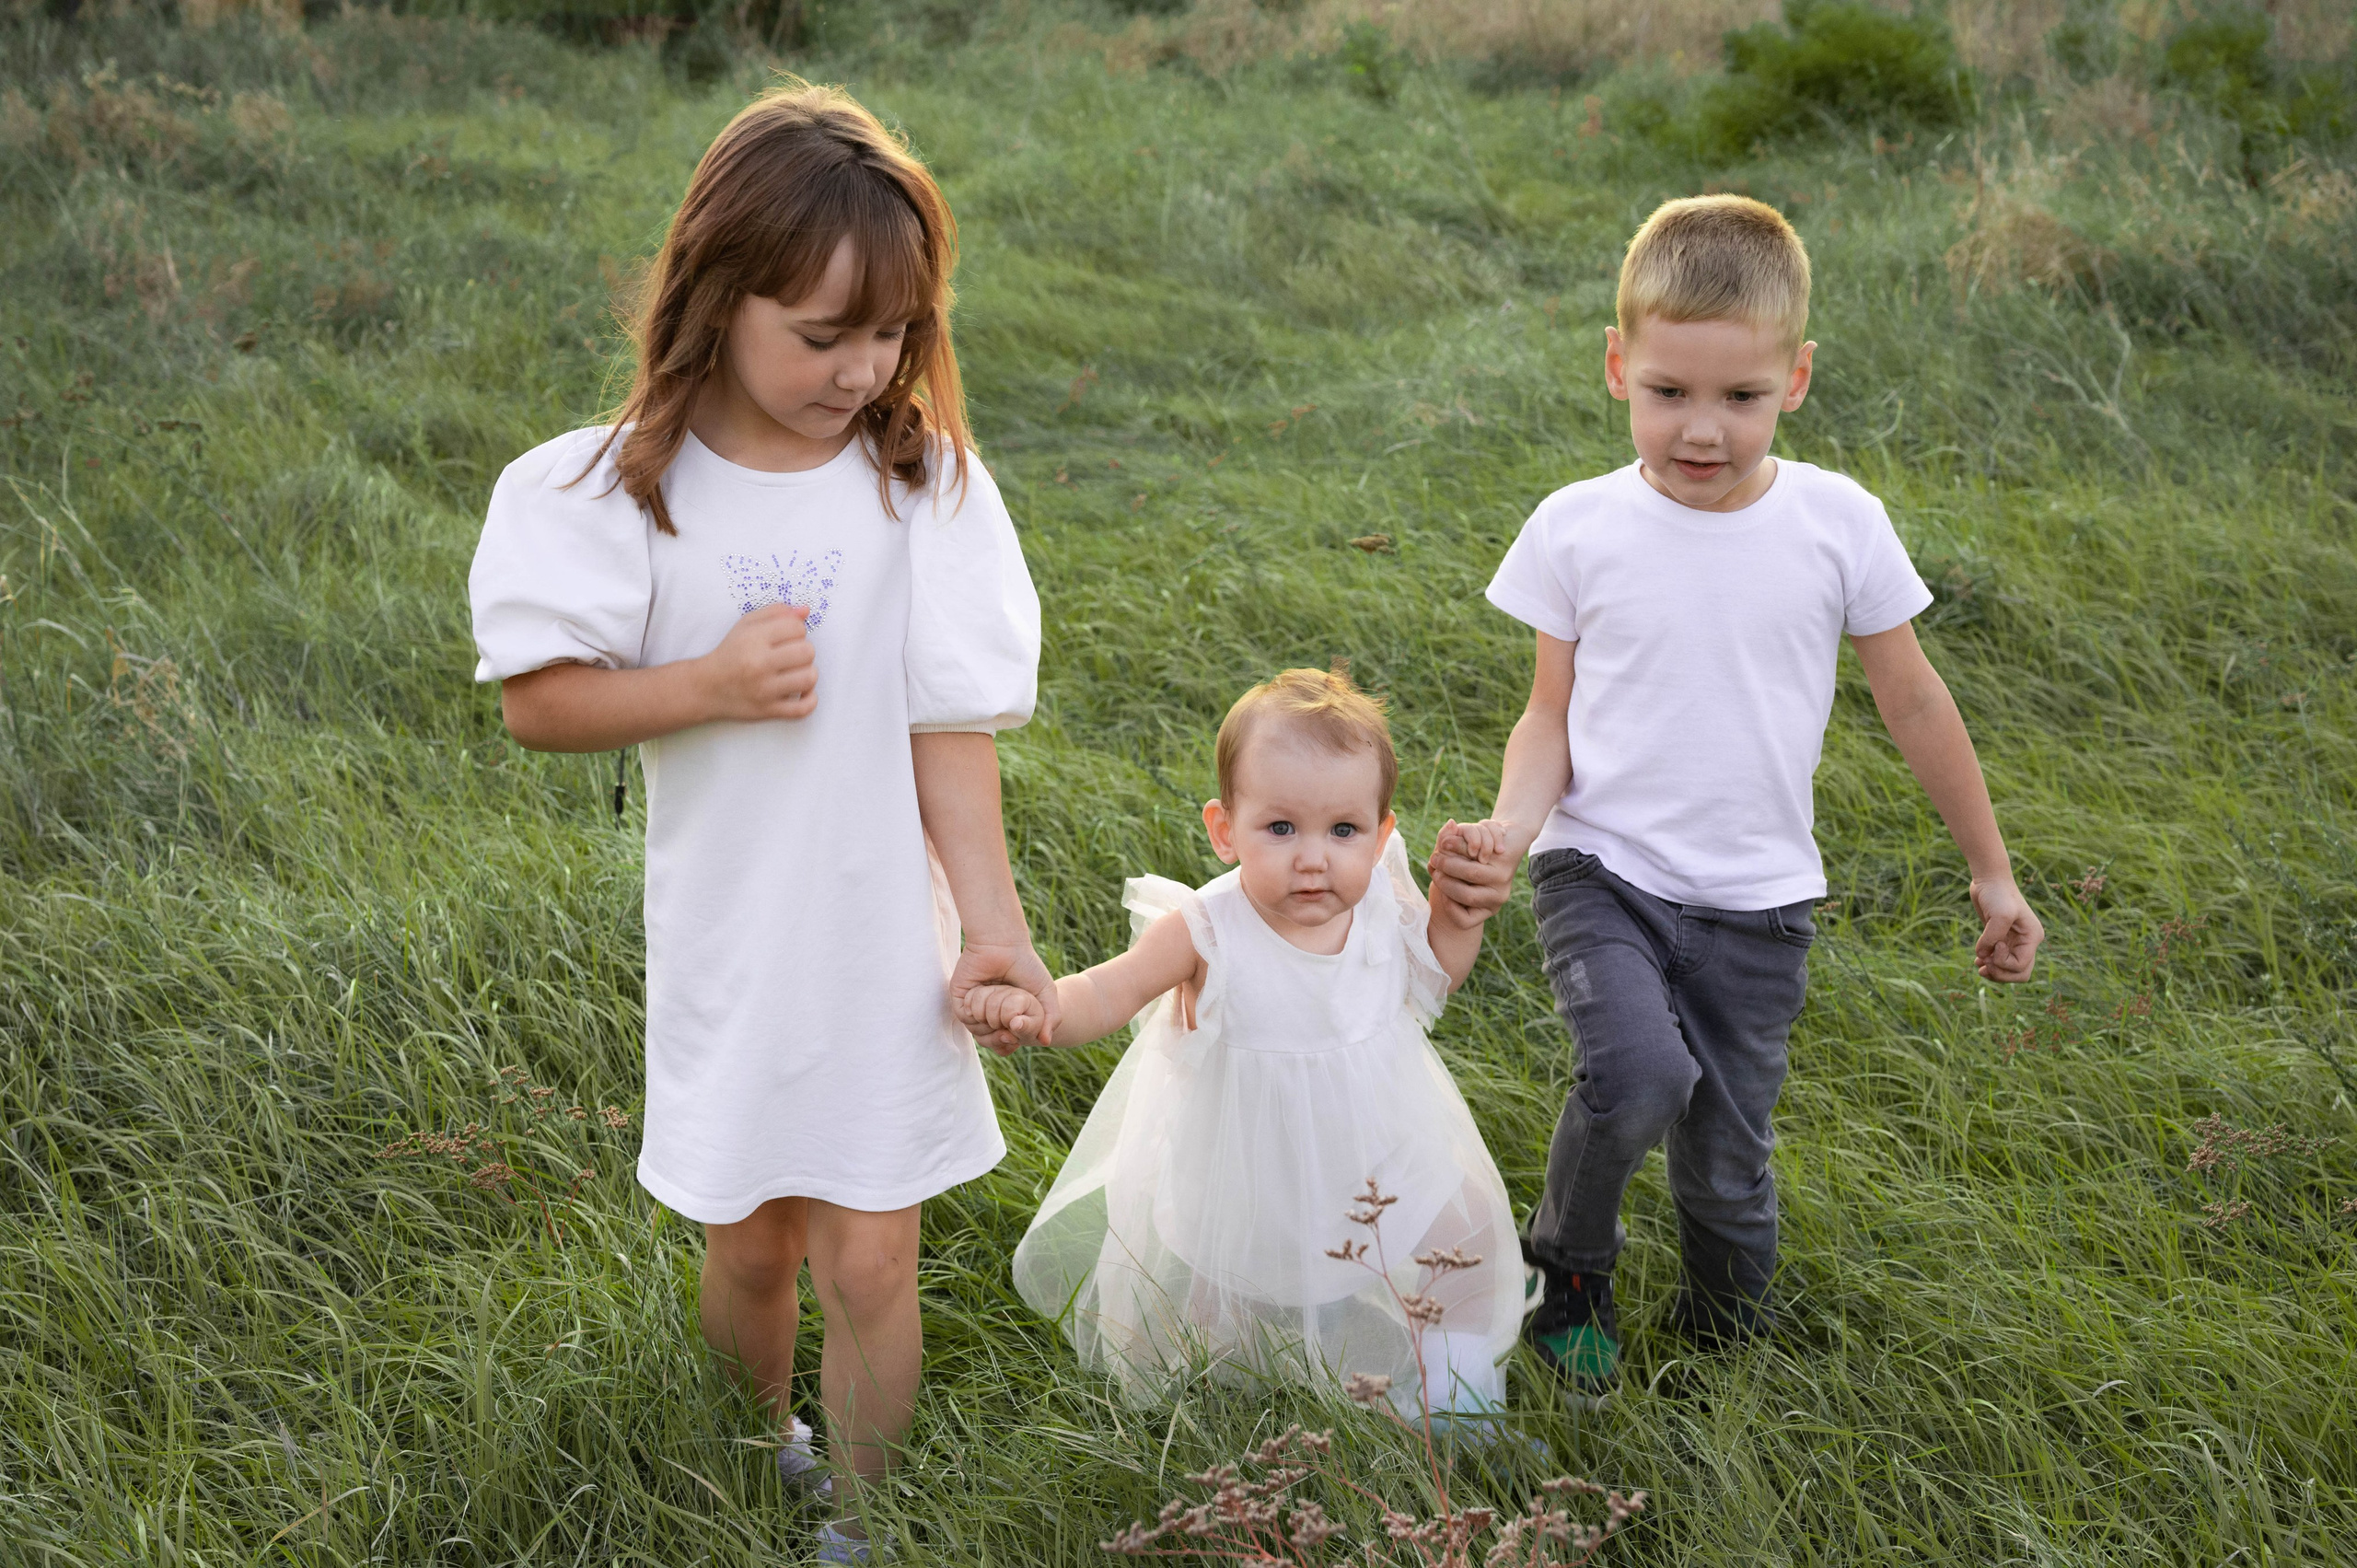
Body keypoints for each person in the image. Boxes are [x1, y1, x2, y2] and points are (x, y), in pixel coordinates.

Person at [468, 84, 1048, 1564]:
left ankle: (861, 1518)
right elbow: (539, 700)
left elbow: (950, 726)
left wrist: (991, 924)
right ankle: (751, 1459)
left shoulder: (920, 488)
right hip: (732, 935)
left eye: (893, 334)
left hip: (881, 941)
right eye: (823, 333)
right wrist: (708, 683)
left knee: (875, 1252)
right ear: (719, 295)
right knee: (751, 1244)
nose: (863, 370)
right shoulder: (623, 489)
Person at [1428, 194, 2045, 1406]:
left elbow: (1916, 701)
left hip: (1759, 902)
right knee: (1639, 1078)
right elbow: (1548, 714)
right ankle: (1571, 1272)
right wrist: (1511, 825)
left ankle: (1721, 1355)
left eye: (1740, 396)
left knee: (1725, 1159)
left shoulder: (1838, 524)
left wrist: (1992, 870)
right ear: (1618, 366)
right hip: (1601, 871)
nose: (1701, 428)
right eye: (1668, 391)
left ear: (1796, 379)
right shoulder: (1578, 527)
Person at [962, 667, 1525, 1424]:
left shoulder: (1382, 907)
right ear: (1225, 829)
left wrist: (1458, 918)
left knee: (1468, 1232)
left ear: (1382, 833)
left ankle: (1455, 1409)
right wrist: (1041, 1008)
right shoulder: (1207, 929)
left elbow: (1436, 976)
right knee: (1224, 1290)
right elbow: (1108, 990)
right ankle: (1211, 1391)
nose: (1314, 857)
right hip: (1249, 1170)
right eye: (1281, 828)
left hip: (1377, 1151)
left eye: (1344, 830)